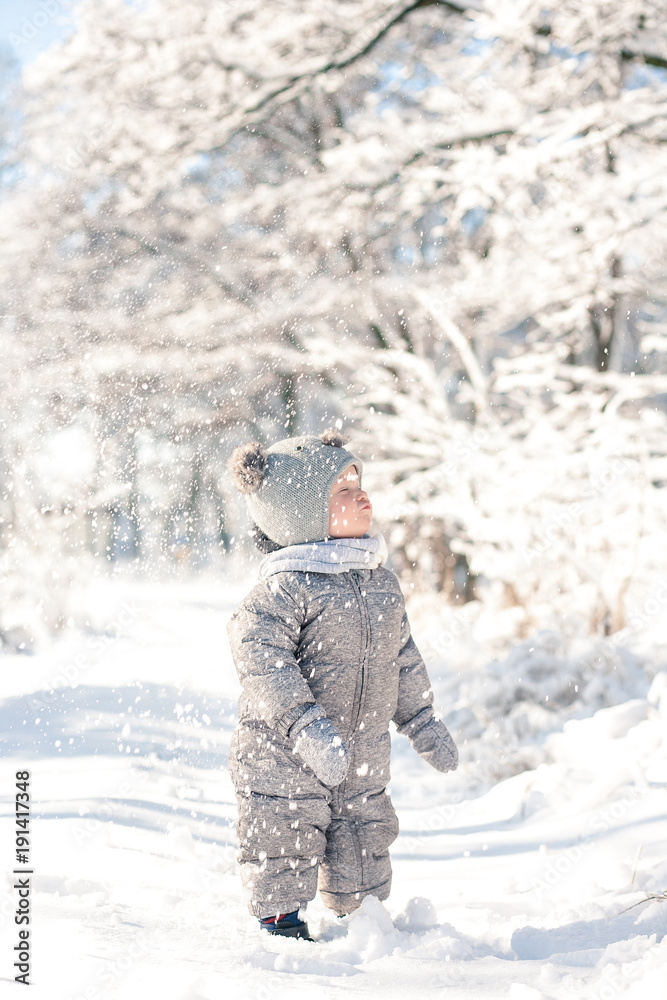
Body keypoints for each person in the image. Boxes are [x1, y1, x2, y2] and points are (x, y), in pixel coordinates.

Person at [226, 427, 458, 940]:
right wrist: (306, 727)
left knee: (365, 836)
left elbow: (402, 656)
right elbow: (262, 661)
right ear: (300, 512)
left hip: (364, 752)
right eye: (342, 490)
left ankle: (365, 925)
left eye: (359, 482)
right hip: (284, 754)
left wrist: (422, 720)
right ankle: (280, 924)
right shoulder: (285, 588)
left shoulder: (379, 581)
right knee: (284, 833)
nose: (362, 496)